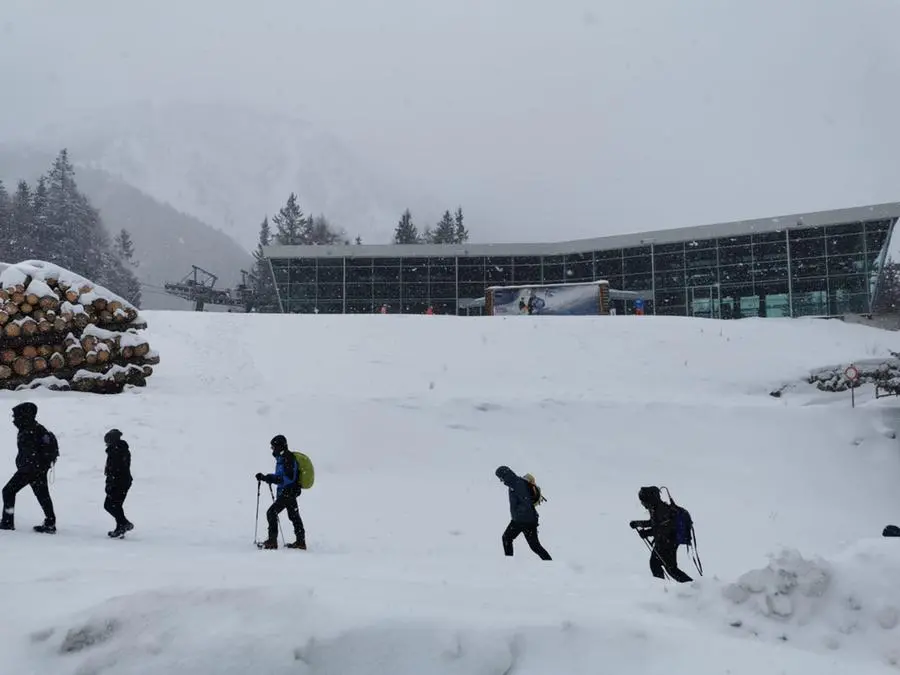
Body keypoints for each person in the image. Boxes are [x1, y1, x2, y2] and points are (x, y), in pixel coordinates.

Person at [1, 402, 58, 533]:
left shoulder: (29, 431)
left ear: (24, 416)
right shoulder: (35, 428)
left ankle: (7, 522)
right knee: (42, 495)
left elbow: (29, 454)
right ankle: (50, 522)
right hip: (38, 469)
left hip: (30, 470)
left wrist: (26, 469)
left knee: (8, 491)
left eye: (16, 416)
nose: (13, 419)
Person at [629, 486, 693, 583]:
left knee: (670, 569)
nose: (642, 504)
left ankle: (692, 586)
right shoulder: (655, 508)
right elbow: (654, 523)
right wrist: (638, 523)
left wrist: (647, 533)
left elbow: (663, 529)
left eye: (643, 501)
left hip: (669, 542)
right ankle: (664, 588)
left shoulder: (661, 509)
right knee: (659, 565)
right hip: (663, 542)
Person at [255, 435, 306, 550]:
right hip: (290, 492)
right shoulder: (283, 458)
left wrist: (269, 478)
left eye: (273, 447)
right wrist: (266, 477)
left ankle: (272, 542)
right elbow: (281, 477)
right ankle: (300, 542)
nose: (272, 450)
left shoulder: (288, 458)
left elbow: (286, 479)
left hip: (288, 492)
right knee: (294, 516)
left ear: (279, 446)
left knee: (271, 513)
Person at [494, 465, 552, 560]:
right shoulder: (514, 484)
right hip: (526, 519)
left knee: (507, 538)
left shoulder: (518, 484)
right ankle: (549, 562)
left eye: (501, 478)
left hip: (523, 520)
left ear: (505, 475)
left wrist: (518, 515)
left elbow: (526, 502)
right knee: (535, 546)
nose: (501, 480)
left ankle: (508, 562)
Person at [103, 429, 134, 538]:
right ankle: (121, 526)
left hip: (119, 482)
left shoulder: (116, 451)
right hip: (123, 481)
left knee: (110, 505)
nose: (106, 443)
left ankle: (124, 523)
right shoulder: (120, 449)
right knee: (116, 505)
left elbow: (115, 469)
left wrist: (111, 482)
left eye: (107, 441)